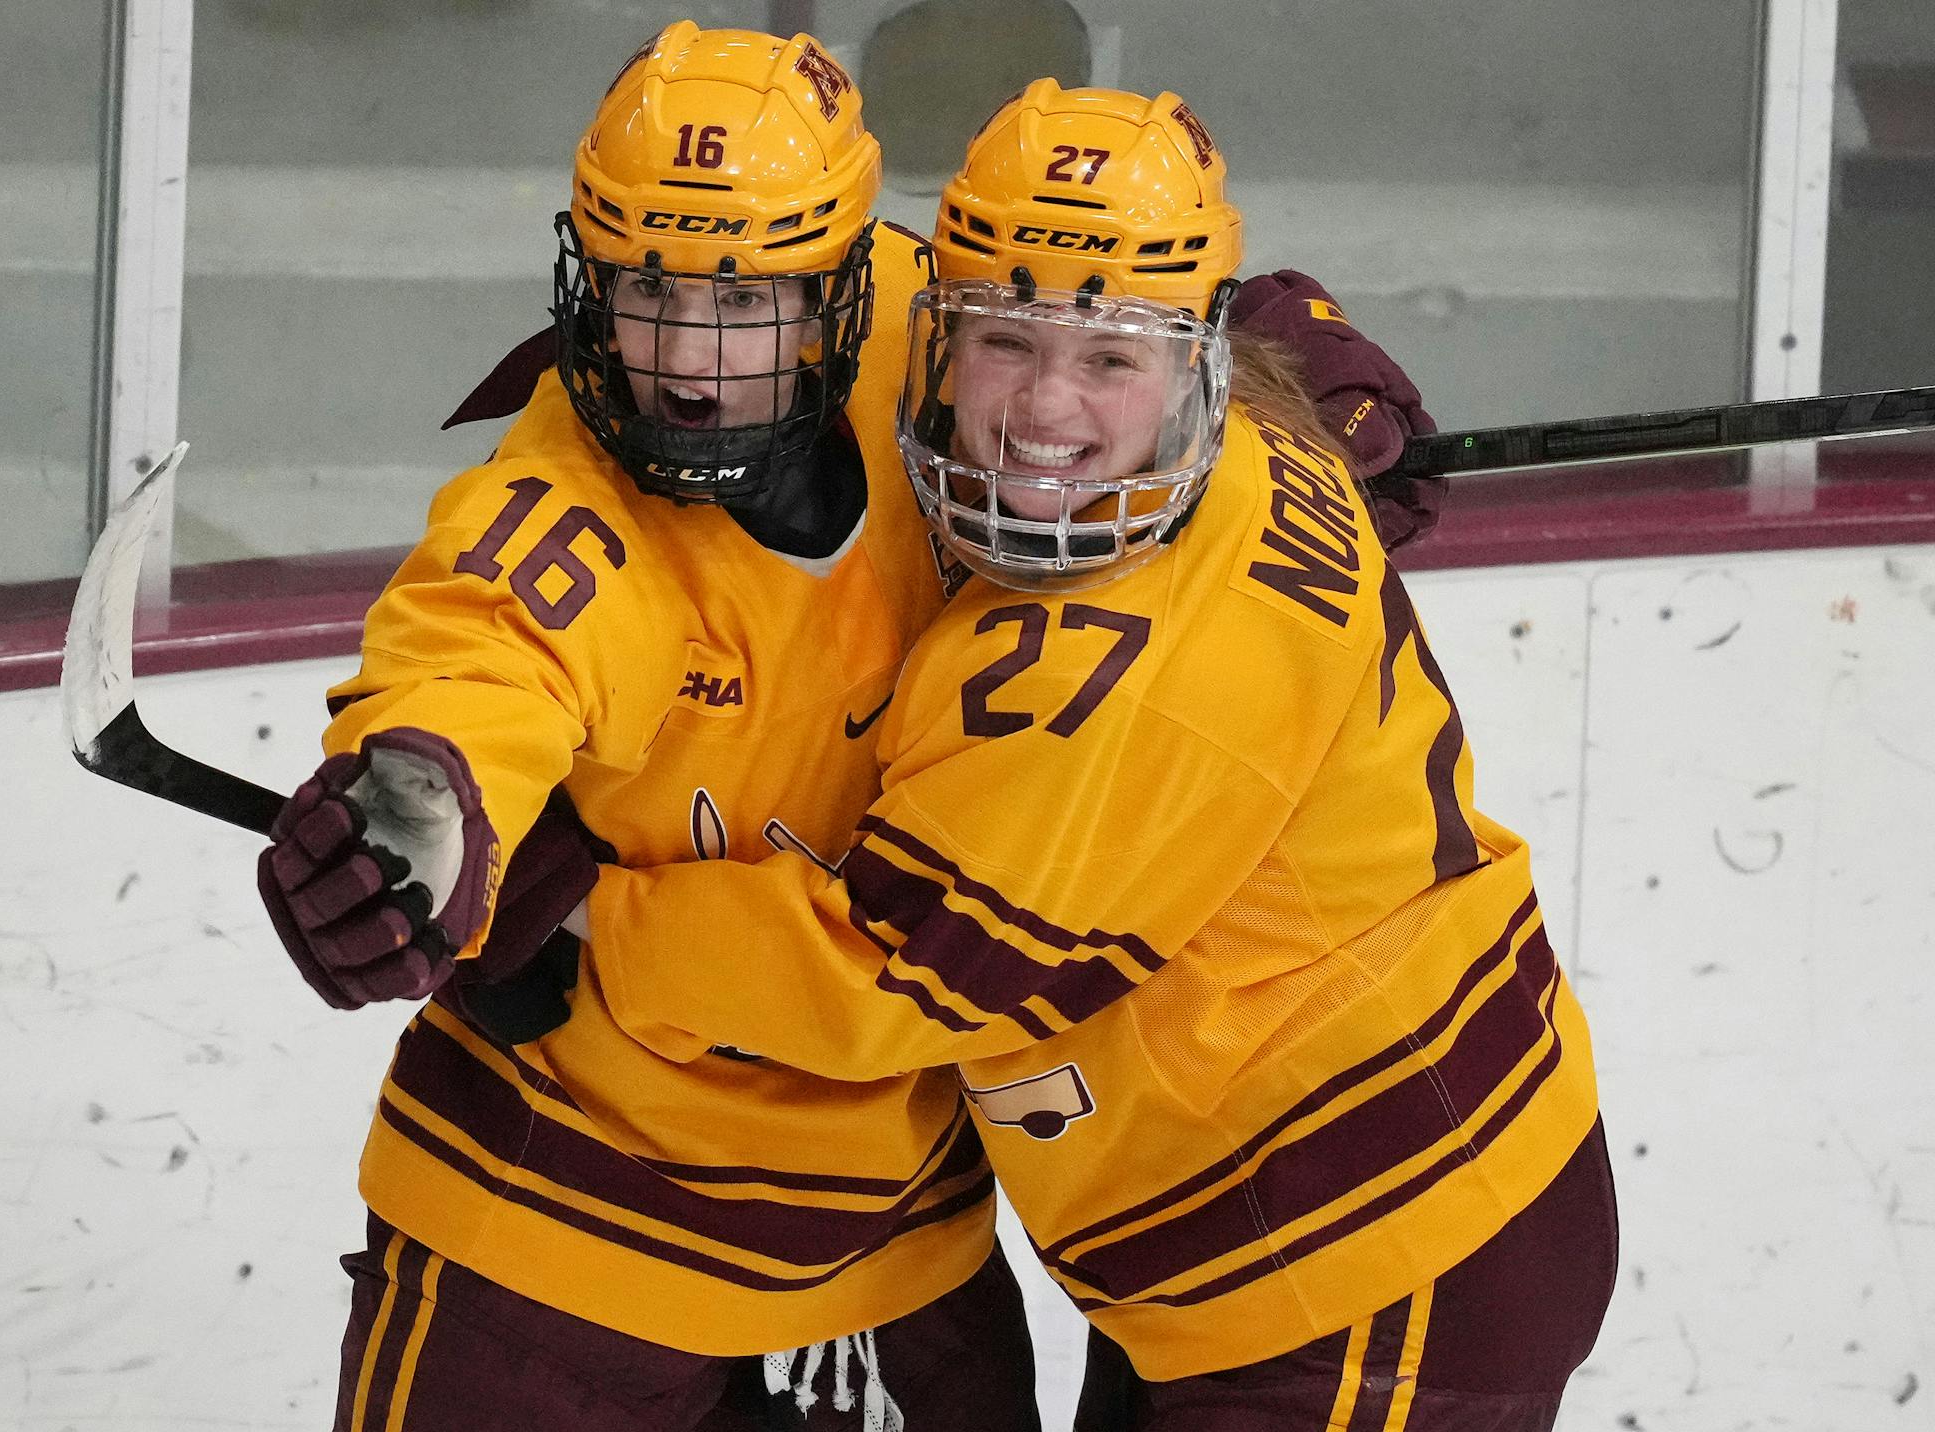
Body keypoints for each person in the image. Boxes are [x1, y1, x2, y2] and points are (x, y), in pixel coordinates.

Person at [257, 25, 1435, 1429]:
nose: (687, 361)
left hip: (887, 1245)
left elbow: (1091, 294)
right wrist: (424, 801)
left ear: (843, 284)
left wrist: (1270, 363)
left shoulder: (925, 339)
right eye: (645, 289)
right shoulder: (569, 494)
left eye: (745, 301)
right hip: (556, 1229)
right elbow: (481, 649)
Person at [538, 81, 1616, 1431]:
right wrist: (1302, 315)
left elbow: (894, 974)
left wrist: (584, 911)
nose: (1043, 411)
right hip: (1278, 1231)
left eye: (1109, 358)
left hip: (1373, 1267)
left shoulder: (1116, 672)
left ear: (1191, 359)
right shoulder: (1256, 435)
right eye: (1007, 340)